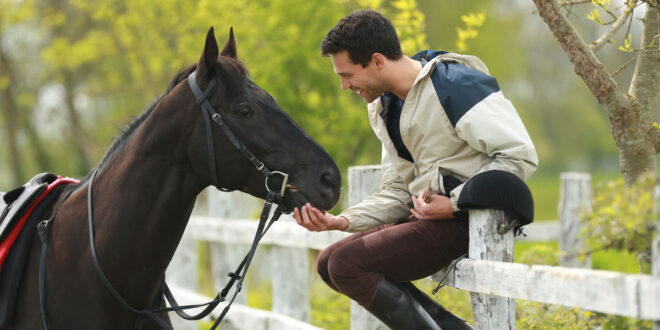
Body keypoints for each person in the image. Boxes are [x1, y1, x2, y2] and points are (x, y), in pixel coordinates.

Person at [292, 9, 538, 330]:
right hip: (426, 218)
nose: (344, 86)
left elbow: (519, 155)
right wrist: (342, 220)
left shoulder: (456, 85)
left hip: (470, 220)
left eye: (347, 75)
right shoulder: (384, 106)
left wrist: (454, 204)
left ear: (378, 61)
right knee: (327, 264)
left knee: (344, 265)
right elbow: (397, 191)